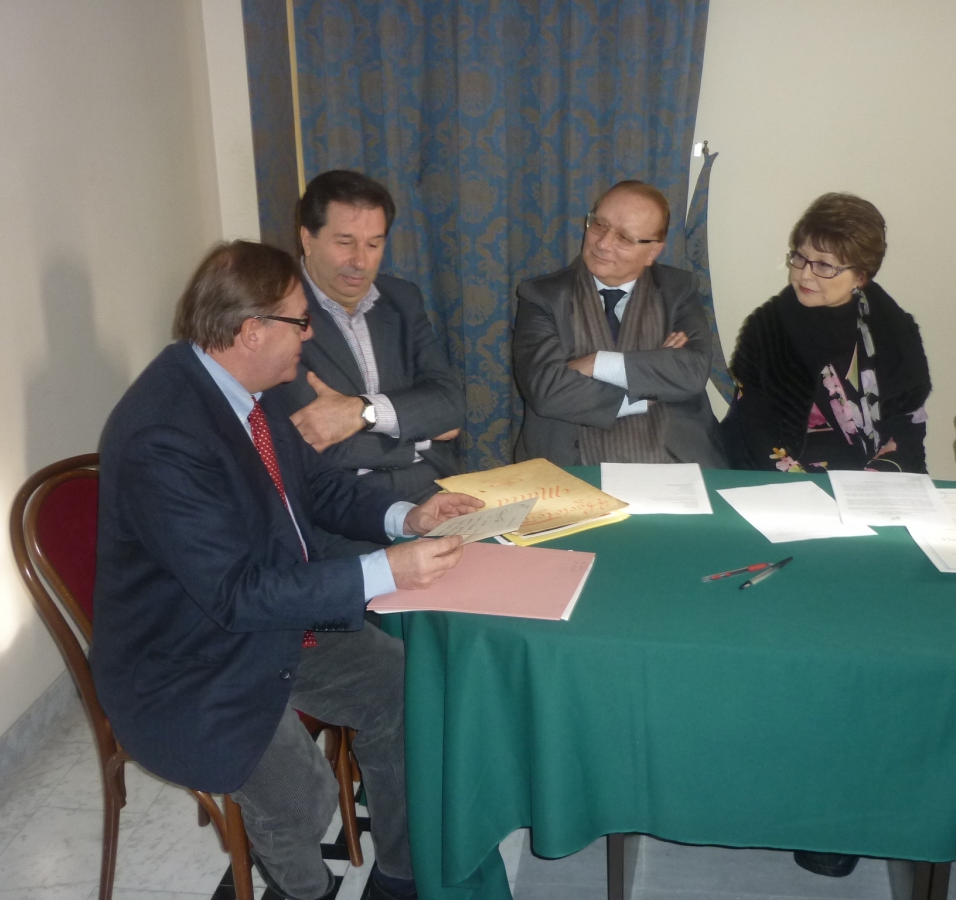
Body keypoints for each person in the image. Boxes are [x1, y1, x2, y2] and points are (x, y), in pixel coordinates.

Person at [91, 241, 482, 900]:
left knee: (404, 689)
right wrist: (386, 570)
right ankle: (303, 889)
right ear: (251, 330)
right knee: (303, 796)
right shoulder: (164, 434)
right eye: (300, 322)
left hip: (271, 618)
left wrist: (405, 519)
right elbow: (235, 594)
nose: (310, 334)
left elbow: (318, 487)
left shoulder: (249, 389)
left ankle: (400, 874)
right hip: (187, 658)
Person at [265, 170, 464, 519]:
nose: (360, 262)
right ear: (307, 239)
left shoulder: (402, 298)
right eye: (345, 242)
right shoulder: (277, 312)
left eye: (374, 245)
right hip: (345, 511)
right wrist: (420, 436)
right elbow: (313, 441)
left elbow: (450, 406)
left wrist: (362, 412)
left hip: (434, 489)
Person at [511, 180, 725, 467]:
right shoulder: (542, 296)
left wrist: (595, 363)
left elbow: (692, 371)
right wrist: (649, 388)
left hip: (674, 458)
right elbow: (547, 391)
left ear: (653, 252)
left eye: (624, 238)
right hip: (570, 462)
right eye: (599, 225)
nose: (602, 243)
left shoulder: (678, 290)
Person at [722, 193, 931, 479]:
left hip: (876, 482)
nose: (805, 275)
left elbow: (908, 428)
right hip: (784, 480)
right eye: (800, 257)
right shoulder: (767, 329)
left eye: (824, 265)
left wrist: (871, 481)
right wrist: (806, 483)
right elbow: (756, 428)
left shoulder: (894, 330)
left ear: (860, 276)